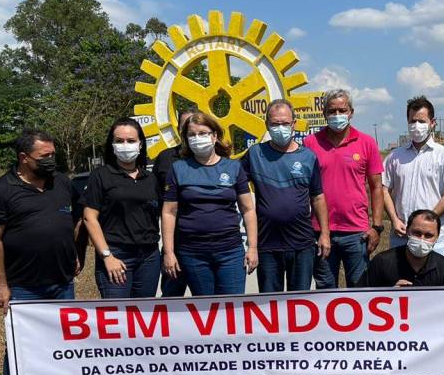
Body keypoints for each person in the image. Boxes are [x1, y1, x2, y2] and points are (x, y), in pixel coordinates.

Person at [0, 129, 86, 375]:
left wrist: (76, 253)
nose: (52, 160)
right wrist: (0, 284)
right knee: (19, 347)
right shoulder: (1, 190)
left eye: (53, 154)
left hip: (62, 282)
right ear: (24, 158)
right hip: (23, 286)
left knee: (64, 343)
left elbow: (78, 220)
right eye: (45, 156)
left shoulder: (62, 183)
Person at [161, 112, 257, 296]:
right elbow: (168, 212)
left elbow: (248, 209)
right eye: (192, 134)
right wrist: (169, 252)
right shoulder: (178, 169)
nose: (197, 138)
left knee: (232, 307)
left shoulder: (233, 167)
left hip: (230, 251)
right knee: (206, 308)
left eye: (203, 133)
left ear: (214, 136)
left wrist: (252, 248)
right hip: (193, 254)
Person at [243, 99, 331, 292]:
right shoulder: (255, 154)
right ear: (267, 124)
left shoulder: (308, 157)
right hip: (267, 244)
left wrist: (325, 234)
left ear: (294, 124)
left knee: (299, 302)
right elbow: (235, 185)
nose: (280, 128)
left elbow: (317, 197)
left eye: (285, 123)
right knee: (270, 303)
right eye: (275, 124)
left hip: (302, 244)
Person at [305, 88, 384, 288]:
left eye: (342, 110)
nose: (337, 115)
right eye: (332, 111)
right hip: (321, 231)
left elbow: (376, 187)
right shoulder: (310, 143)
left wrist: (376, 227)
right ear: (324, 114)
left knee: (359, 289)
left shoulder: (367, 143)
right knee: (325, 289)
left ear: (351, 112)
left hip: (356, 232)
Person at [360, 209, 444, 337]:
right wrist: (389, 296)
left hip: (429, 329)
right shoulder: (382, 261)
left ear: (437, 238)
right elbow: (359, 300)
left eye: (428, 235)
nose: (422, 239)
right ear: (407, 231)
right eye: (417, 233)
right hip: (390, 329)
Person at [82, 117, 161, 299]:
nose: (125, 145)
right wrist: (107, 256)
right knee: (118, 312)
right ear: (112, 145)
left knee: (144, 312)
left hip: (149, 257)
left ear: (140, 144)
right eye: (119, 141)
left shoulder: (150, 178)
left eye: (131, 141)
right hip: (116, 253)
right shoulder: (100, 176)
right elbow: (89, 218)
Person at [382, 96, 444, 256]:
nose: (416, 126)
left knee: (434, 272)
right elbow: (383, 190)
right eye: (412, 121)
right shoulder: (394, 157)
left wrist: (429, 221)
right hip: (401, 236)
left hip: (432, 238)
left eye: (421, 121)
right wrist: (394, 219)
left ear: (432, 123)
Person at [152, 110, 194, 296]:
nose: (190, 130)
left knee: (209, 300)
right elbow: (153, 196)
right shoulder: (165, 158)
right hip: (174, 243)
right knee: (171, 297)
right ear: (178, 129)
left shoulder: (214, 158)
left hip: (204, 243)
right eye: (185, 126)